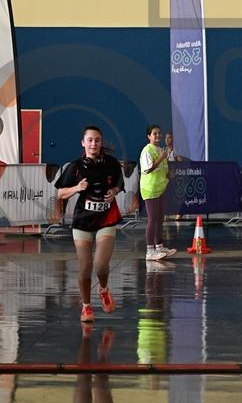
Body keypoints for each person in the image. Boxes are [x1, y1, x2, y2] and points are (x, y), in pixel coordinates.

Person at [55, 126, 123, 323]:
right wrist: (77, 187)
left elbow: (119, 183)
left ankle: (103, 289)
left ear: (101, 142)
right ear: (83, 143)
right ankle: (86, 306)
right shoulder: (75, 166)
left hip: (106, 219)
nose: (94, 144)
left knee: (100, 265)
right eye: (90, 140)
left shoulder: (111, 163)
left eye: (97, 140)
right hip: (83, 221)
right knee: (85, 267)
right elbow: (60, 193)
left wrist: (114, 192)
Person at [139, 125, 177, 262]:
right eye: (154, 133)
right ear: (149, 136)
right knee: (152, 219)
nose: (158, 136)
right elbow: (148, 169)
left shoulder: (161, 150)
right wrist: (161, 158)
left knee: (160, 219)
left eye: (159, 133)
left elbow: (163, 169)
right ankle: (150, 251)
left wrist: (169, 174)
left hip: (160, 188)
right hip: (150, 189)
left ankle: (159, 247)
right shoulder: (147, 150)